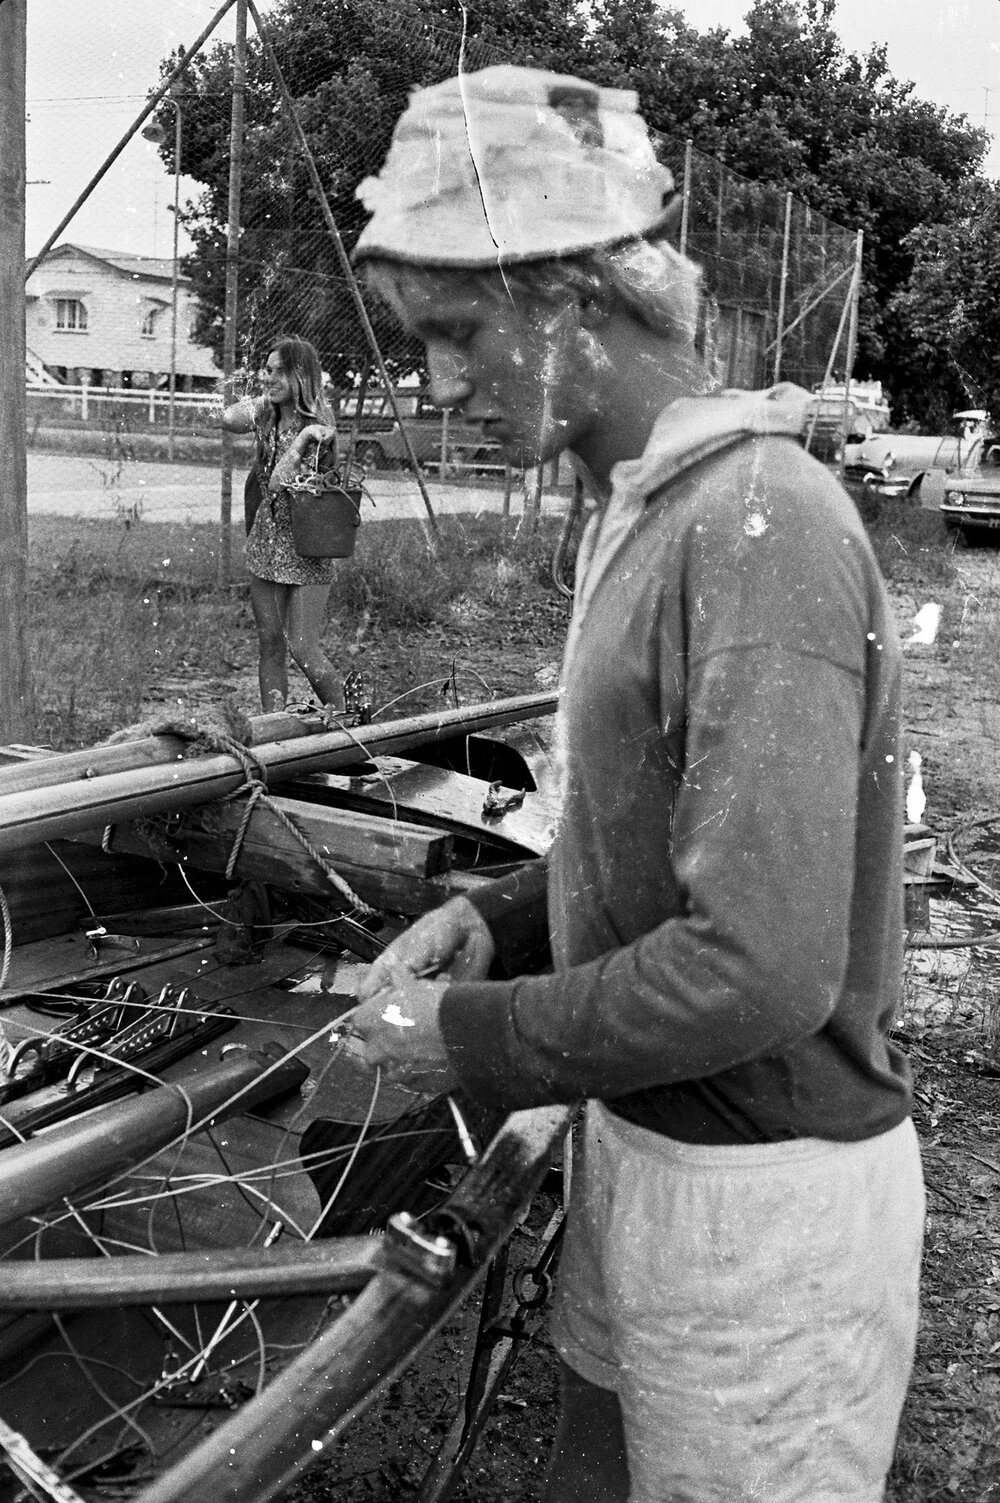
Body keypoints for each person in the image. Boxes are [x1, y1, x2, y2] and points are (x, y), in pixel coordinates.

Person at [346, 66, 925, 1503]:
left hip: (762, 1206)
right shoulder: (654, 506)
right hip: (652, 1143)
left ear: (577, 297)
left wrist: (465, 1033)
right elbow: (656, 832)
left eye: (458, 330)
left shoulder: (757, 524)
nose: (437, 380)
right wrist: (506, 914)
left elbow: (760, 968)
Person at [222, 335, 343, 712]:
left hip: (308, 549)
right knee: (270, 643)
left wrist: (302, 437)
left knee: (303, 648)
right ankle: (274, 726)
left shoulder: (319, 428)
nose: (267, 377)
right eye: (267, 370)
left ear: (301, 377)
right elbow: (228, 419)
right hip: (267, 544)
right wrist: (268, 397)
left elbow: (277, 482)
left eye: (278, 372)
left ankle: (347, 721)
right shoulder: (268, 414)